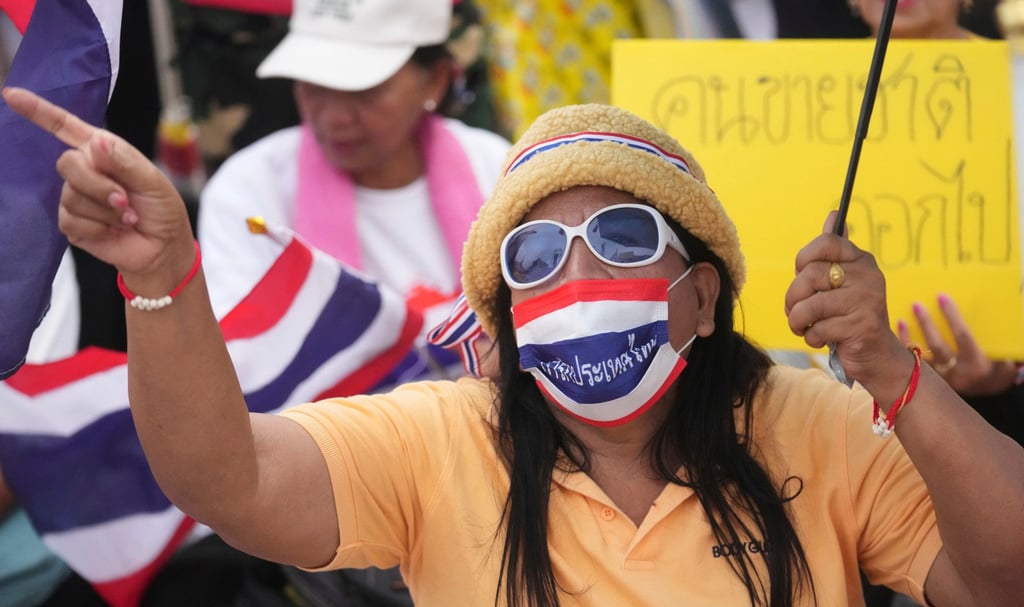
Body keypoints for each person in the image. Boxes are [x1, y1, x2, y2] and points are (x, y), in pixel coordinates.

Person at [8, 86, 1024, 606]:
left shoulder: (820, 423)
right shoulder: (439, 436)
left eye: (622, 239)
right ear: (500, 309)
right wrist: (159, 279)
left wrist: (894, 376)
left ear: (703, 294)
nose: (577, 278)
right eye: (535, 255)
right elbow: (222, 480)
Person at [198, 0, 509, 385]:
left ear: (436, 80)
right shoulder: (249, 189)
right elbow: (244, 363)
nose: (334, 117)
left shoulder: (497, 170)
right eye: (313, 86)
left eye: (364, 90)